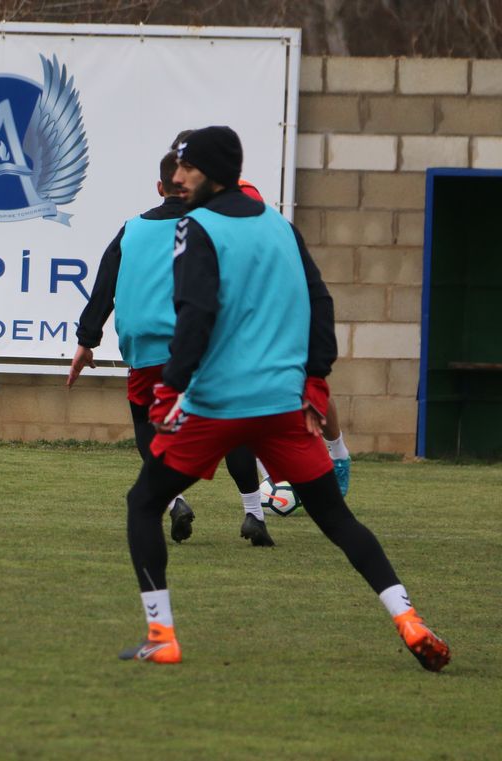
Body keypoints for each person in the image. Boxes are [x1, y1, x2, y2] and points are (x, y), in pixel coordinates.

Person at [118, 126, 449, 671]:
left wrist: (170, 388)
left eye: (187, 169)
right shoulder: (281, 227)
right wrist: (315, 382)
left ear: (212, 173)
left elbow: (194, 314)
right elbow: (321, 302)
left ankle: (161, 636)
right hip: (280, 406)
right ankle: (408, 618)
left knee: (144, 503)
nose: (177, 179)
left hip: (217, 406)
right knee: (337, 519)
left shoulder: (194, 227)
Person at [68, 150, 273, 547]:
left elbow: (104, 287)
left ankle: (175, 499)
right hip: (200, 347)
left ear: (160, 188)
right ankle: (254, 514)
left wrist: (86, 341)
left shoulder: (130, 230)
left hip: (145, 348)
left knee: (149, 427)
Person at [175, 129, 353, 498]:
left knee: (298, 384)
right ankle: (272, 481)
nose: (182, 174)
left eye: (189, 164)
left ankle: (336, 454)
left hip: (273, 315)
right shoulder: (190, 203)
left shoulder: (244, 198)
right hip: (241, 327)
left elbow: (257, 252)